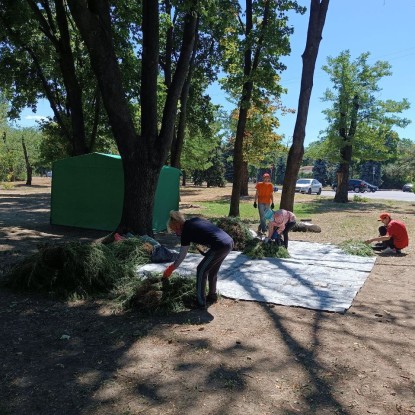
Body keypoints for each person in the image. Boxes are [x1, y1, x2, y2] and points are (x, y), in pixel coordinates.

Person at [163, 211, 234, 309]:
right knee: (212, 270)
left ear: (178, 224)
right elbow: (207, 231)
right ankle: (212, 296)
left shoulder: (186, 232)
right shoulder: (195, 220)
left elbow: (182, 255)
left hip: (219, 245)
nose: (175, 232)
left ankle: (200, 302)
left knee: (201, 270)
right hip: (228, 241)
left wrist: (172, 268)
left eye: (174, 229)